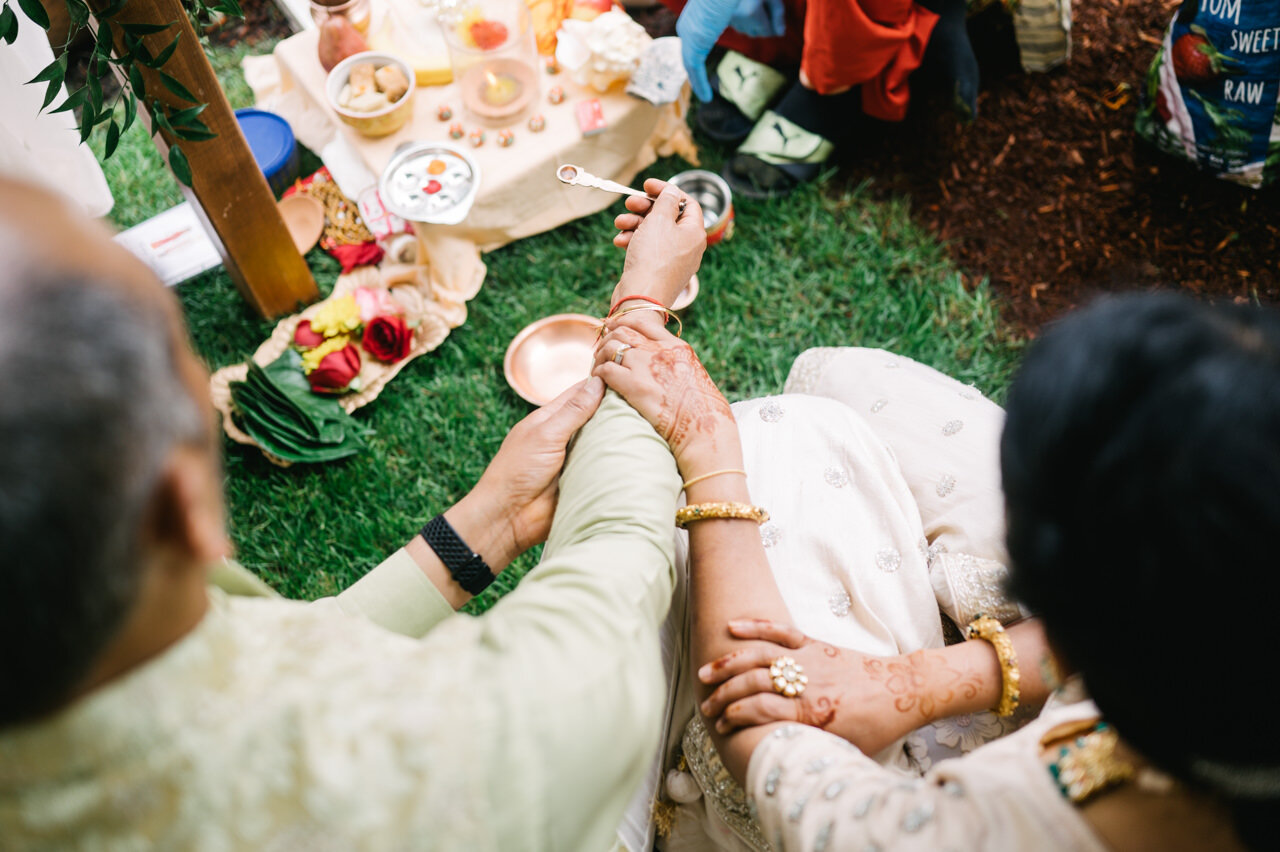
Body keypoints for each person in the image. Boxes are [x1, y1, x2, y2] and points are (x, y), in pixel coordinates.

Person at [0, 176, 707, 850]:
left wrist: (488, 523)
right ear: (184, 509)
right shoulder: (405, 763)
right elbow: (597, 641)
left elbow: (267, 656)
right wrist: (641, 308)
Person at [593, 281, 1276, 850]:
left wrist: (710, 451)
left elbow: (762, 727)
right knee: (840, 382)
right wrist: (919, 681)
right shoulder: (1221, 627)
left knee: (781, 442)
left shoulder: (991, 830)